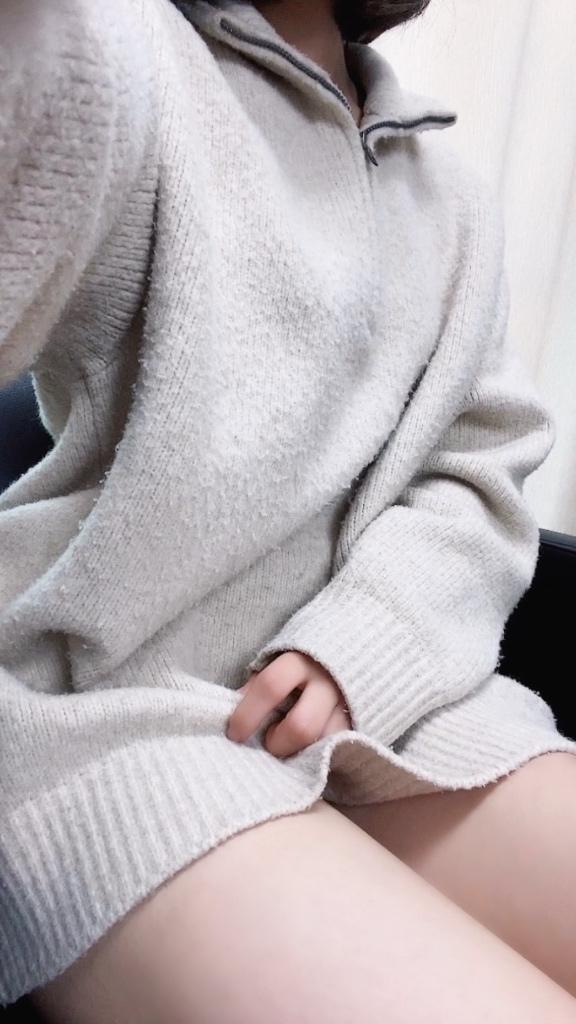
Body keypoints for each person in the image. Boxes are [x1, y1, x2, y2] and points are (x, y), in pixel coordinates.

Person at [1, 0, 576, 1020]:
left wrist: (371, 646)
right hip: (110, 718)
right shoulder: (119, 57)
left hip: (411, 708)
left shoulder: (448, 191)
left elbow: (476, 467)